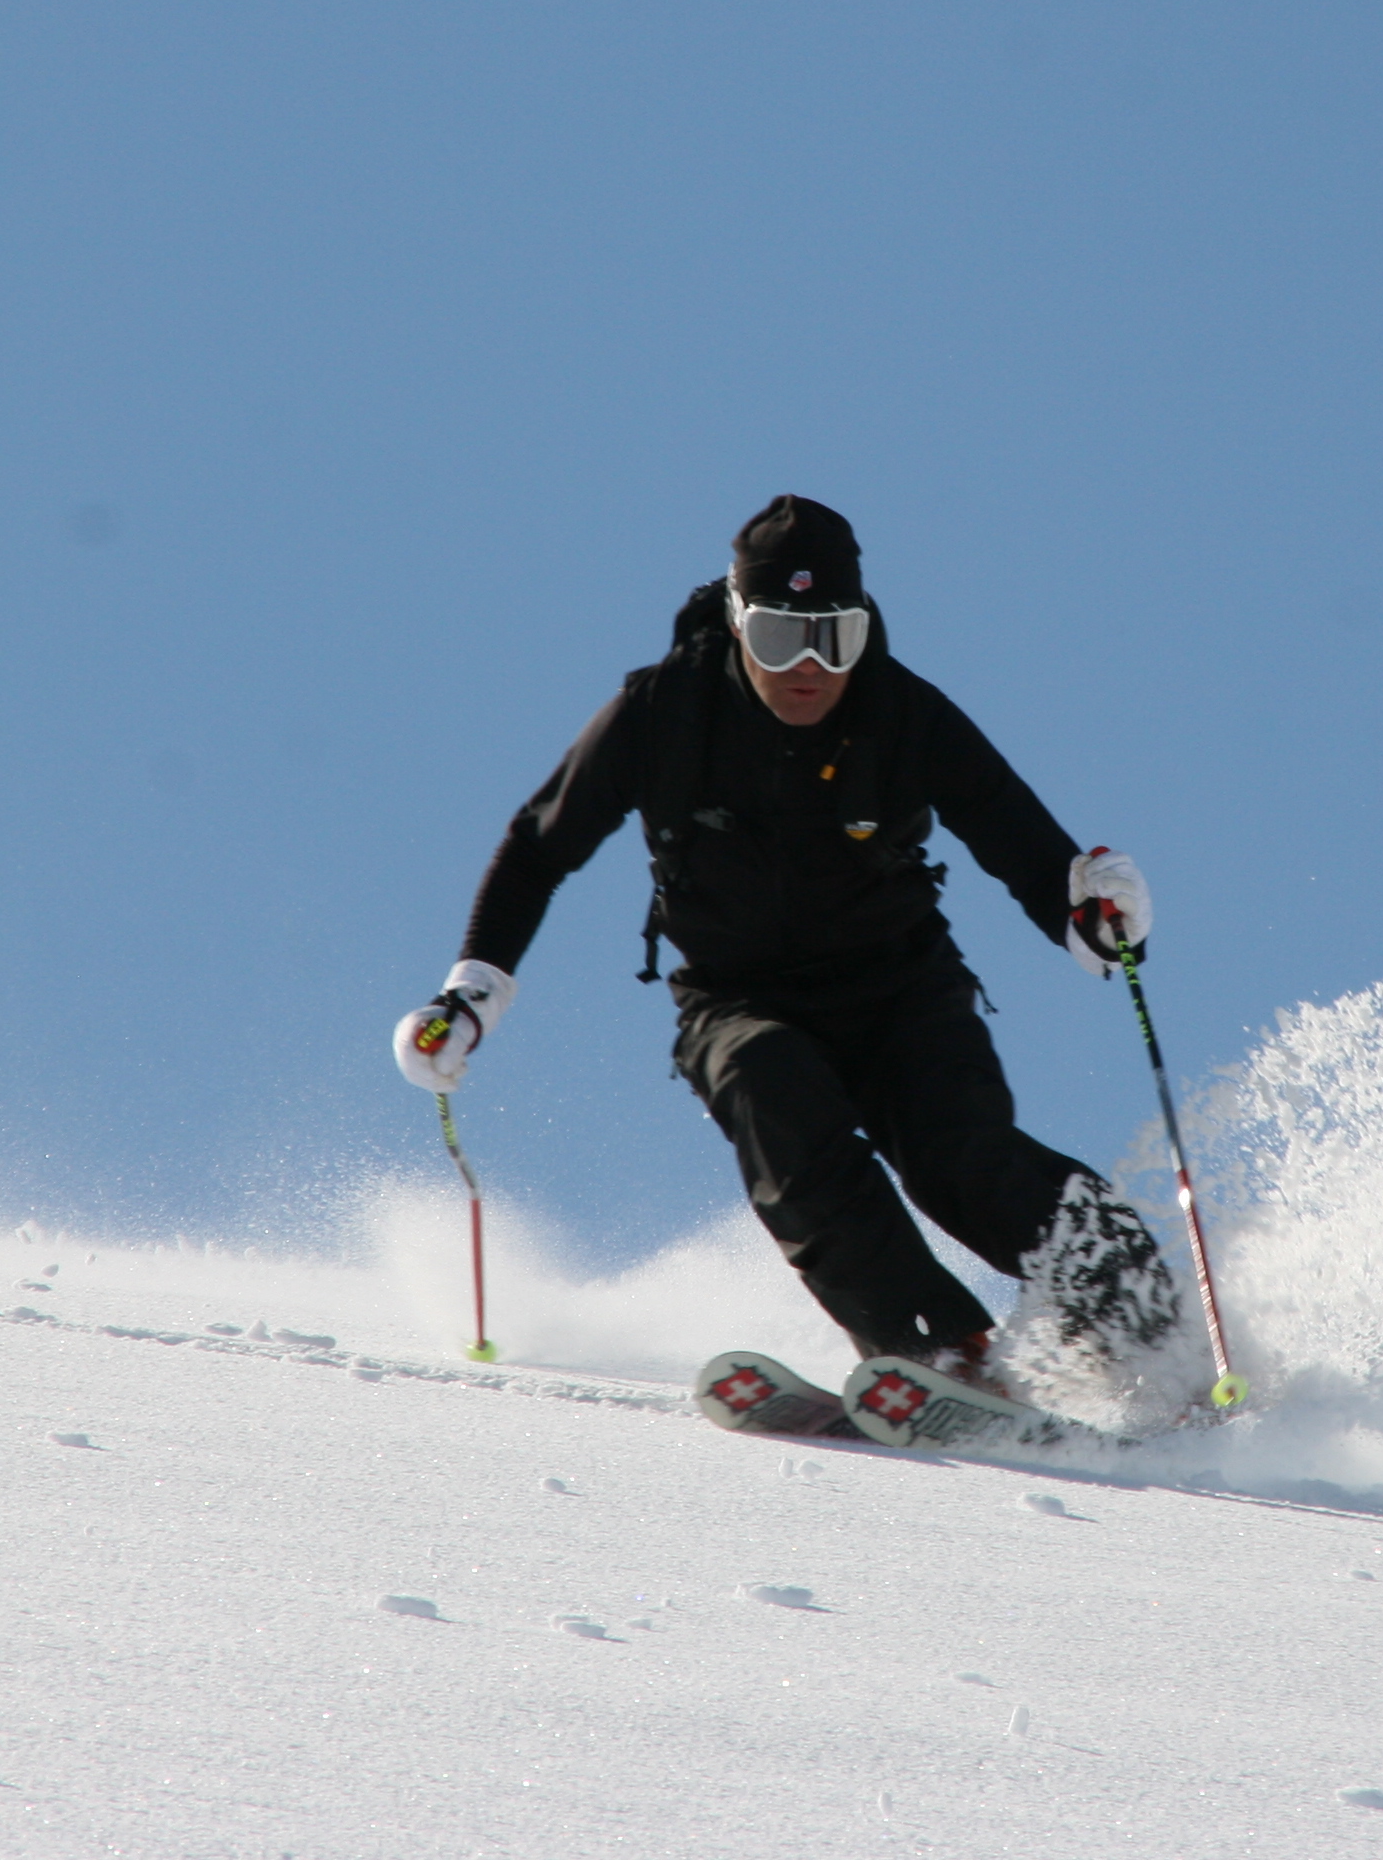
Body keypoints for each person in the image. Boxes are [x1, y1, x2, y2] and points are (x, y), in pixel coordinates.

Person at [394, 494, 1175, 1388]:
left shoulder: (902, 711)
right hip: (740, 999)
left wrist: (1087, 914)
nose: (808, 667)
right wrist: (473, 991)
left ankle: (1148, 1329)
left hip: (901, 991)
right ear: (737, 625)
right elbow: (539, 848)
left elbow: (1009, 830)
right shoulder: (662, 714)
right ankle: (940, 1352)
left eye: (833, 638)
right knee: (776, 1100)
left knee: (960, 1159)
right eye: (778, 639)